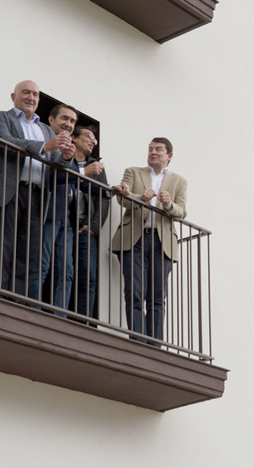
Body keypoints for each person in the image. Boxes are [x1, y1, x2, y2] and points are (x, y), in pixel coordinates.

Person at [0, 80, 74, 302]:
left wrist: (66, 157)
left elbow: (56, 161)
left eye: (35, 94)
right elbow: (4, 142)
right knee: (3, 248)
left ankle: (17, 303)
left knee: (28, 253)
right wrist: (44, 147)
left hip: (38, 195)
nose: (31, 97)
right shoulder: (0, 117)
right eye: (26, 92)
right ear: (13, 96)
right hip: (10, 190)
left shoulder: (44, 128)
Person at [111, 138, 187, 343]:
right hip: (134, 240)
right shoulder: (133, 172)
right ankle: (138, 341)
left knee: (157, 297)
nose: (153, 152)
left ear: (169, 156)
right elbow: (121, 198)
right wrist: (140, 197)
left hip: (162, 244)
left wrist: (169, 205)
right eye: (150, 149)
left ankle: (154, 345)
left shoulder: (179, 181)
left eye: (158, 150)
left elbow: (181, 211)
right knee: (134, 291)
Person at [69, 124, 108, 320]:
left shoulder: (97, 167)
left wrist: (93, 227)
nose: (94, 141)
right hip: (65, 225)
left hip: (86, 229)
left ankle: (81, 322)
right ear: (74, 138)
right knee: (62, 272)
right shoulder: (65, 158)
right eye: (90, 136)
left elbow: (103, 198)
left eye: (96, 139)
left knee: (88, 278)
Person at [42, 103, 79, 312]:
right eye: (64, 118)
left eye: (72, 121)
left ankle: (59, 315)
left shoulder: (69, 147)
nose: (68, 124)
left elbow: (74, 179)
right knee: (43, 264)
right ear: (51, 120)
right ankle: (33, 310)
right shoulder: (43, 137)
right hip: (46, 211)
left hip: (65, 215)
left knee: (66, 270)